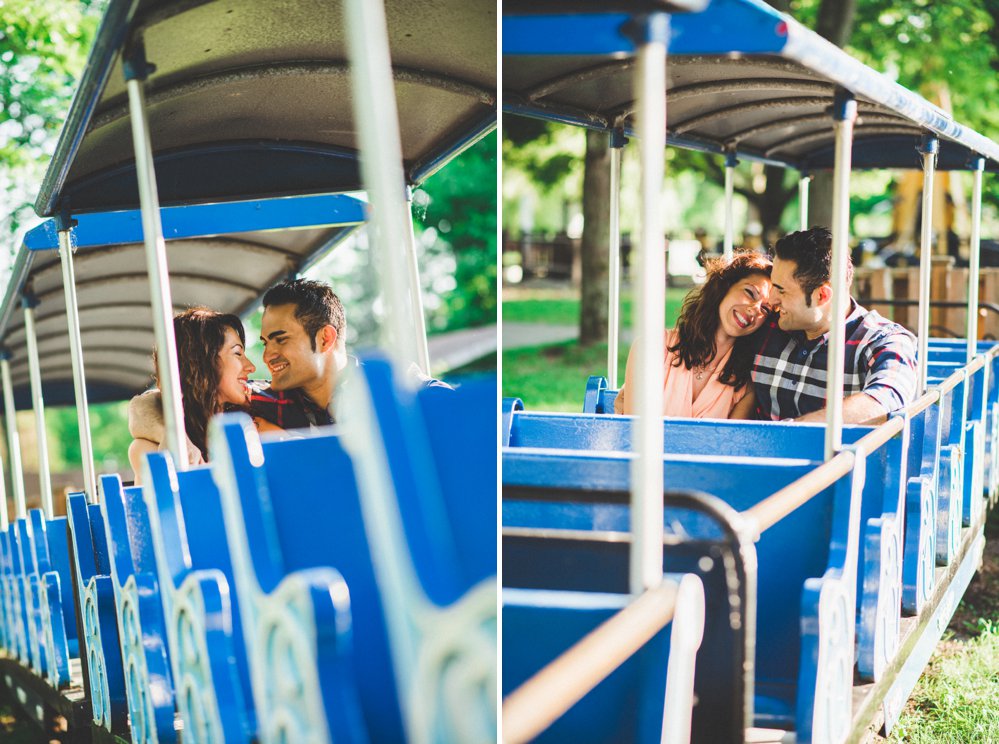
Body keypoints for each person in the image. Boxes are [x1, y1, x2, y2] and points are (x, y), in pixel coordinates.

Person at [752, 226, 917, 423]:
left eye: (781, 290)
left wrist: (792, 433)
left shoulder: (884, 340)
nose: (771, 300)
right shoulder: (765, 323)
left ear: (822, 295)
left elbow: (885, 400)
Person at [127, 308, 282, 479]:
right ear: (202, 362)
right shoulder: (148, 449)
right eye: (237, 353)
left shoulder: (257, 420)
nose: (251, 366)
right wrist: (174, 438)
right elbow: (142, 404)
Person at [614, 252, 773, 419]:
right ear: (725, 287)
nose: (754, 309)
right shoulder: (650, 348)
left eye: (765, 309)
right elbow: (634, 434)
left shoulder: (745, 386)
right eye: (750, 292)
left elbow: (728, 444)